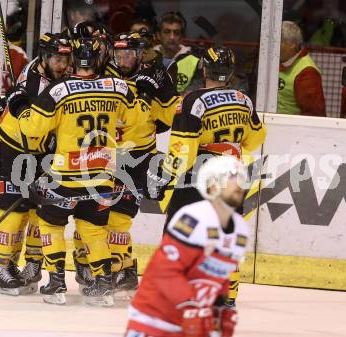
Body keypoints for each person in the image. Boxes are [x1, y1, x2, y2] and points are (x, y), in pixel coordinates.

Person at [6, 24, 155, 306]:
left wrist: (19, 105)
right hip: (102, 177)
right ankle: (102, 286)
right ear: (99, 59)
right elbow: (138, 122)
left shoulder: (59, 90)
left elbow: (33, 129)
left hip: (66, 178)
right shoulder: (118, 87)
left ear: (74, 59)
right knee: (93, 228)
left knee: (50, 225)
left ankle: (57, 284)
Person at [145, 46, 266, 306]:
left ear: (204, 69)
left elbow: (183, 150)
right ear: (231, 72)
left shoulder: (193, 101)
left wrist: (164, 177)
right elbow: (256, 138)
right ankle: (226, 295)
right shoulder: (243, 100)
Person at [0, 33, 72, 297]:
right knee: (14, 206)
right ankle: (1, 266)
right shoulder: (35, 81)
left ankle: (32, 263)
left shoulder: (54, 75)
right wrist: (4, 101)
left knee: (39, 209)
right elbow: (23, 99)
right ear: (44, 57)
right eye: (56, 58)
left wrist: (2, 99)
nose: (62, 64)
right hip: (13, 147)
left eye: (66, 58)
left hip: (42, 150)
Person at [125, 155, 249, 337]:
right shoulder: (193, 218)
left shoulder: (240, 230)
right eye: (231, 177)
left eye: (241, 177)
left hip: (191, 320)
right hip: (155, 318)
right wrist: (189, 305)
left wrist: (220, 308)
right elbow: (164, 272)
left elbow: (219, 277)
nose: (238, 183)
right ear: (212, 185)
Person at [97, 31, 179, 299]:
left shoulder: (154, 76)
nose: (122, 59)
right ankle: (124, 269)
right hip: (107, 156)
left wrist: (164, 85)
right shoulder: (105, 73)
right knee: (101, 217)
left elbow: (167, 121)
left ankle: (120, 269)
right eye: (119, 54)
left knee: (120, 218)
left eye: (128, 55)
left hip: (138, 158)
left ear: (139, 54)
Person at [277, 21, 326, 117]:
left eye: (279, 41)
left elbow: (314, 114)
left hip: (289, 129)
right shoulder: (275, 62)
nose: (274, 45)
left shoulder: (307, 73)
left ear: (292, 44)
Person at [154, 11, 202, 94]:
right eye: (167, 32)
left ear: (181, 36)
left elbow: (196, 90)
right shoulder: (149, 56)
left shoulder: (194, 58)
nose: (172, 37)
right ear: (158, 35)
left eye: (176, 33)